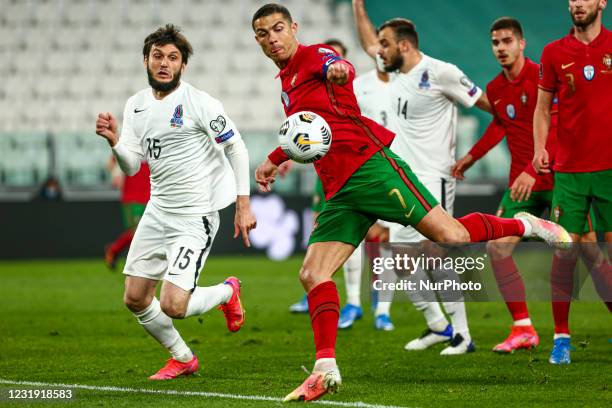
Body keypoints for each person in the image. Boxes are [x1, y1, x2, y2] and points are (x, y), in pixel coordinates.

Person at [252, 3, 570, 401]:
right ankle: (325, 369)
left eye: (278, 28)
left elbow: (341, 69)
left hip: (372, 168)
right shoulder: (286, 81)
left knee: (450, 236)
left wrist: (340, 71)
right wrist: (274, 158)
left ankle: (526, 225)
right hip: (339, 189)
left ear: (293, 27)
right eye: (262, 34)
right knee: (313, 274)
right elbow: (311, 131)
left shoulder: (315, 56)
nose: (272, 38)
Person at [95, 24, 256, 379]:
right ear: (146, 61)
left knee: (174, 305)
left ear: (183, 65)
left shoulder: (200, 102)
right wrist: (115, 142)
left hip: (194, 216)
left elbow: (236, 147)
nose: (164, 63)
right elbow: (133, 164)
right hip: (157, 211)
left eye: (172, 58)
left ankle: (228, 291)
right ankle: (183, 358)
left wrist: (243, 205)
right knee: (135, 297)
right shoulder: (135, 105)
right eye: (157, 56)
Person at [453, 17, 601, 354]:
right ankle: (523, 328)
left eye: (507, 41)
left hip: (560, 177)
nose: (501, 48)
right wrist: (470, 158)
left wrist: (534, 168)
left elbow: (559, 124)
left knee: (590, 253)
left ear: (522, 44)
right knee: (498, 248)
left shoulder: (542, 77)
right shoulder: (494, 88)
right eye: (495, 43)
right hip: (522, 187)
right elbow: (499, 126)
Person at [353, 0, 492, 354]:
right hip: (404, 179)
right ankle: (438, 325)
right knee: (401, 256)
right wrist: (358, 6)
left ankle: (463, 334)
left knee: (434, 255)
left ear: (404, 45)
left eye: (385, 44)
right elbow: (369, 43)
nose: (378, 51)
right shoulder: (399, 74)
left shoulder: (442, 72)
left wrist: (523, 120)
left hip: (434, 178)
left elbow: (488, 104)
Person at [533, 0, 612, 364]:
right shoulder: (553, 52)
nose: (577, 3)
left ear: (602, 3)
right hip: (570, 171)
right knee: (566, 251)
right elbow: (542, 106)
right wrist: (539, 149)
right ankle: (561, 338)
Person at [104, 156, 150, 270]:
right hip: (132, 197)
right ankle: (115, 251)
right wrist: (116, 174)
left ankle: (115, 249)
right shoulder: (130, 141)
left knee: (146, 231)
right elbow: (111, 162)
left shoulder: (155, 142)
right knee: (136, 232)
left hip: (151, 195)